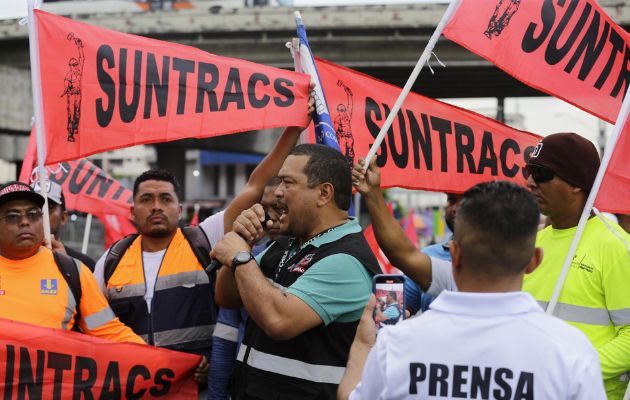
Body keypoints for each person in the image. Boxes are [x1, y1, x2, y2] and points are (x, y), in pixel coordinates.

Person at [93, 110, 313, 391]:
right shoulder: (111, 261)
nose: (156, 206)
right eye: (146, 199)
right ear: (132, 212)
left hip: (195, 391)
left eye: (165, 199)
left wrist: (293, 128)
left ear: (180, 209)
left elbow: (255, 186)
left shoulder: (204, 239)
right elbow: (94, 330)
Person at [338, 181, 606, 400]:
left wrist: (363, 345)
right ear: (534, 261)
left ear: (453, 254)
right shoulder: (570, 352)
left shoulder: (396, 345)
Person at [211, 144, 381, 399]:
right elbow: (227, 297)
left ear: (324, 193)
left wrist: (241, 258)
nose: (277, 192)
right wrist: (243, 240)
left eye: (287, 183)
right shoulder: (285, 245)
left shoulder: (346, 259)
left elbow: (278, 321)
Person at [523, 132, 630, 399]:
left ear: (576, 184)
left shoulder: (616, 246)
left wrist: (571, 369)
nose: (529, 181)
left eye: (541, 172)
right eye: (529, 170)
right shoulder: (531, 242)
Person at [0, 181, 143, 343]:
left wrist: (160, 362)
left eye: (33, 214)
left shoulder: (74, 272)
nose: (25, 222)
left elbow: (110, 332)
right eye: (12, 216)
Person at [208, 177, 285, 400]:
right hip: (247, 386)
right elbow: (226, 334)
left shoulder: (322, 261)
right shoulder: (246, 256)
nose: (270, 219)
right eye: (266, 208)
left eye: (279, 208)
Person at [404, 193, 460, 315]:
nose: (455, 208)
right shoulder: (427, 256)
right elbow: (405, 307)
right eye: (452, 200)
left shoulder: (501, 261)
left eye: (464, 201)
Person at [32, 180, 96, 270]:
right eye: (34, 209)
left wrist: (68, 268)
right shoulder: (9, 261)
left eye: (49, 208)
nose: (42, 213)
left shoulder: (85, 265)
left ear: (63, 217)